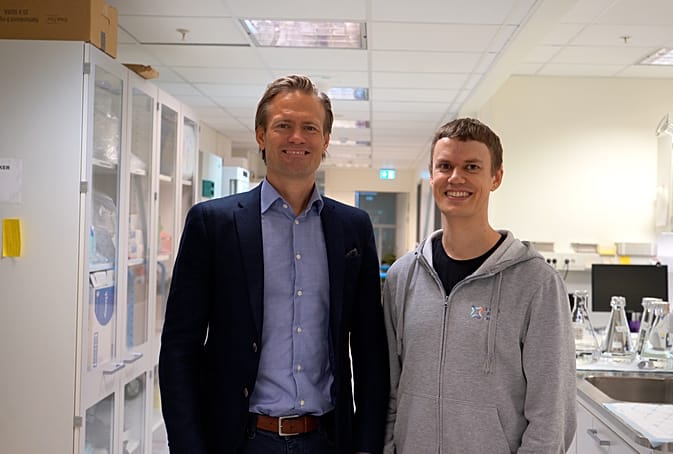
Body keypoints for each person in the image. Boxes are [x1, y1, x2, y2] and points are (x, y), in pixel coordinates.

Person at [159, 74, 389, 454]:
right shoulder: (212, 224)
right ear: (261, 135)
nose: (297, 137)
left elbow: (369, 350)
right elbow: (179, 347)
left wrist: (366, 446)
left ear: (325, 140)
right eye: (283, 125)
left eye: (310, 127)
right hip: (240, 440)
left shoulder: (353, 229)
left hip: (327, 440)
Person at [382, 118, 576, 453]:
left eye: (471, 167)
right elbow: (388, 389)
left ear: (496, 177)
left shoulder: (536, 283)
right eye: (445, 166)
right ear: (432, 175)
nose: (456, 178)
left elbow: (551, 414)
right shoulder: (403, 277)